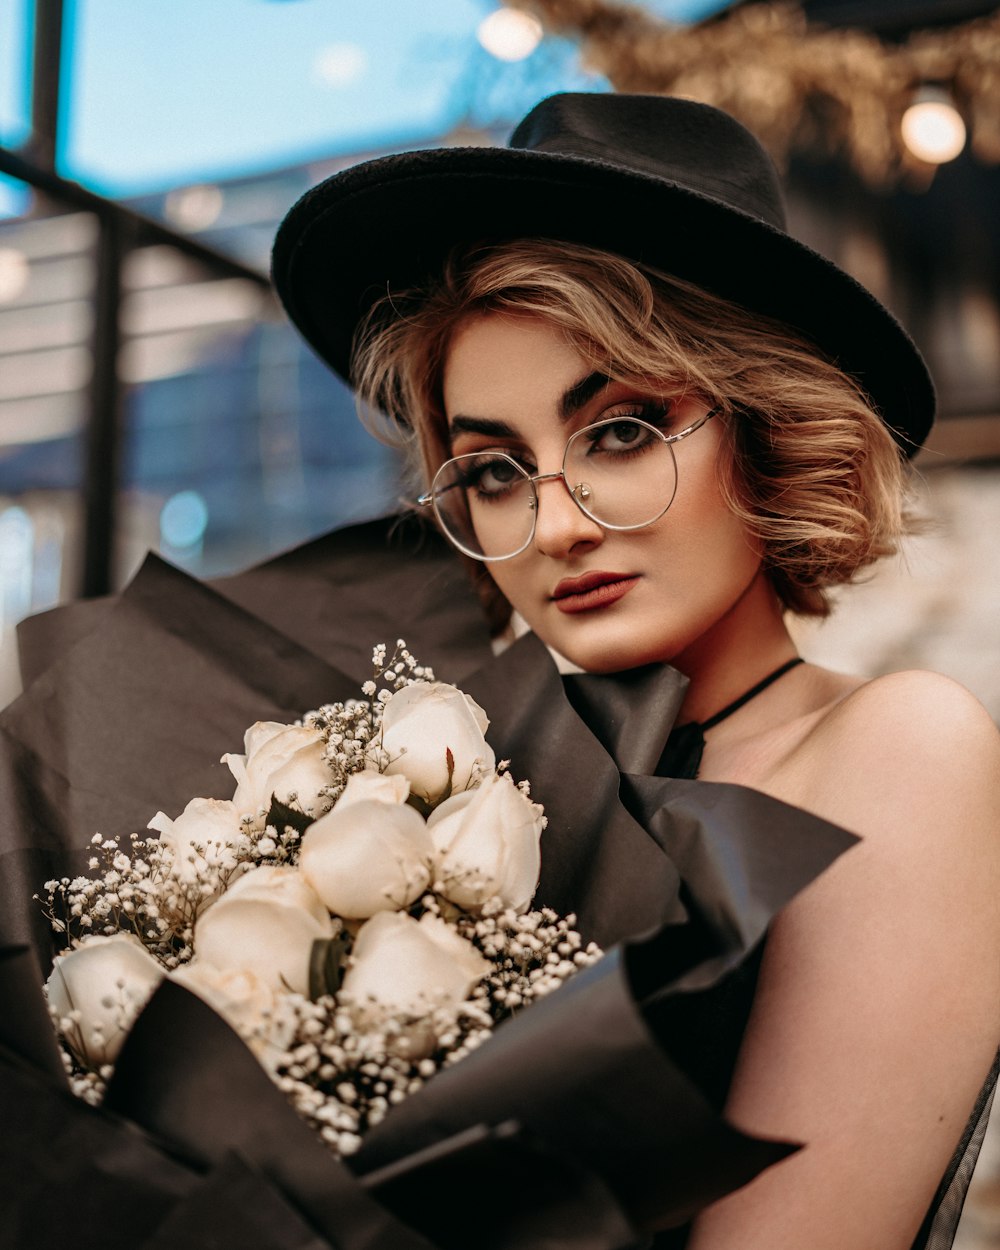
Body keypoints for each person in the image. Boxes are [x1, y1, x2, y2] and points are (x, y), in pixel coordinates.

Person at [271, 92, 1000, 1249]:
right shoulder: (458, 794)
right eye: (495, 468)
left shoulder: (897, 747)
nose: (552, 525)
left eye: (617, 431)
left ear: (763, 424)